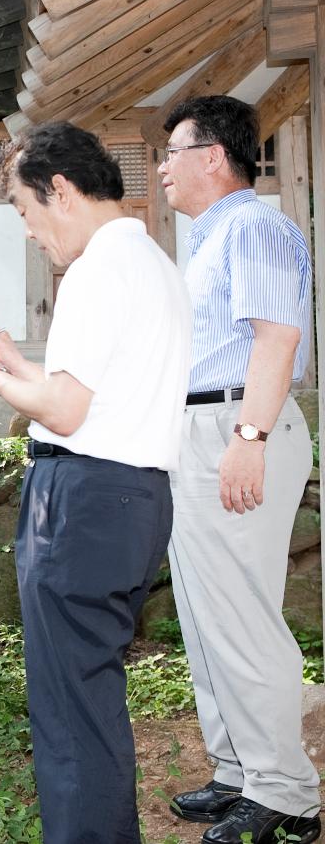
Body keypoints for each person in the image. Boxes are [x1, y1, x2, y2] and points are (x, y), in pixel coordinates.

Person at [0, 122, 190, 843]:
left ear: (61, 189)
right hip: (132, 497)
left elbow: (67, 410)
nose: (27, 231)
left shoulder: (95, 270)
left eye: (24, 210)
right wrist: (18, 364)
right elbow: (93, 394)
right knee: (89, 698)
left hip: (82, 503)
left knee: (69, 710)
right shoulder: (148, 260)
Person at [157, 95, 320, 844]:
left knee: (243, 616)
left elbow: (277, 335)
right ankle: (238, 769)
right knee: (207, 614)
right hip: (205, 426)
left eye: (172, 153)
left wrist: (248, 434)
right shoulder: (214, 238)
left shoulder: (252, 224)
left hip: (235, 424)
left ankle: (286, 790)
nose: (161, 169)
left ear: (212, 156)